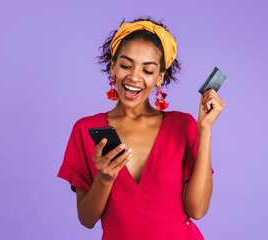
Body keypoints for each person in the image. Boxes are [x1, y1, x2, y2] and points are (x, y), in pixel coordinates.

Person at [57, 17, 225, 240]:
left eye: (147, 70)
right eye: (126, 65)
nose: (134, 76)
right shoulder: (86, 129)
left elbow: (197, 210)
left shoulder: (182, 125)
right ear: (113, 67)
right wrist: (105, 178)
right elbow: (87, 220)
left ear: (159, 78)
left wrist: (205, 129)